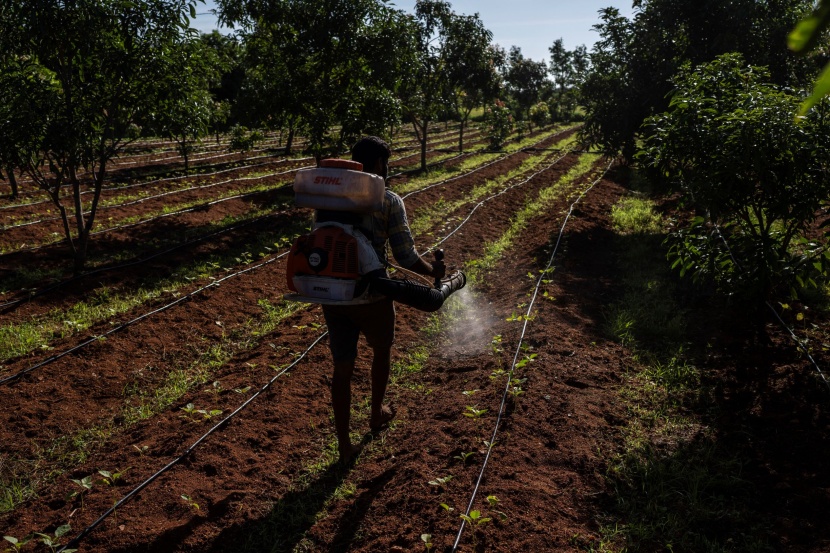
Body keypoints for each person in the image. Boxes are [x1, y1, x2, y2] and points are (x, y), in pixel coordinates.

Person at [319, 136, 445, 464]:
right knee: (381, 351)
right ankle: (376, 414)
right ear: (377, 165)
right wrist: (431, 270)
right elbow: (404, 256)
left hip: (333, 294)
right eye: (385, 164)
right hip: (373, 294)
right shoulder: (387, 200)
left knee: (342, 368)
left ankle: (344, 446)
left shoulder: (326, 197)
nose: (387, 170)